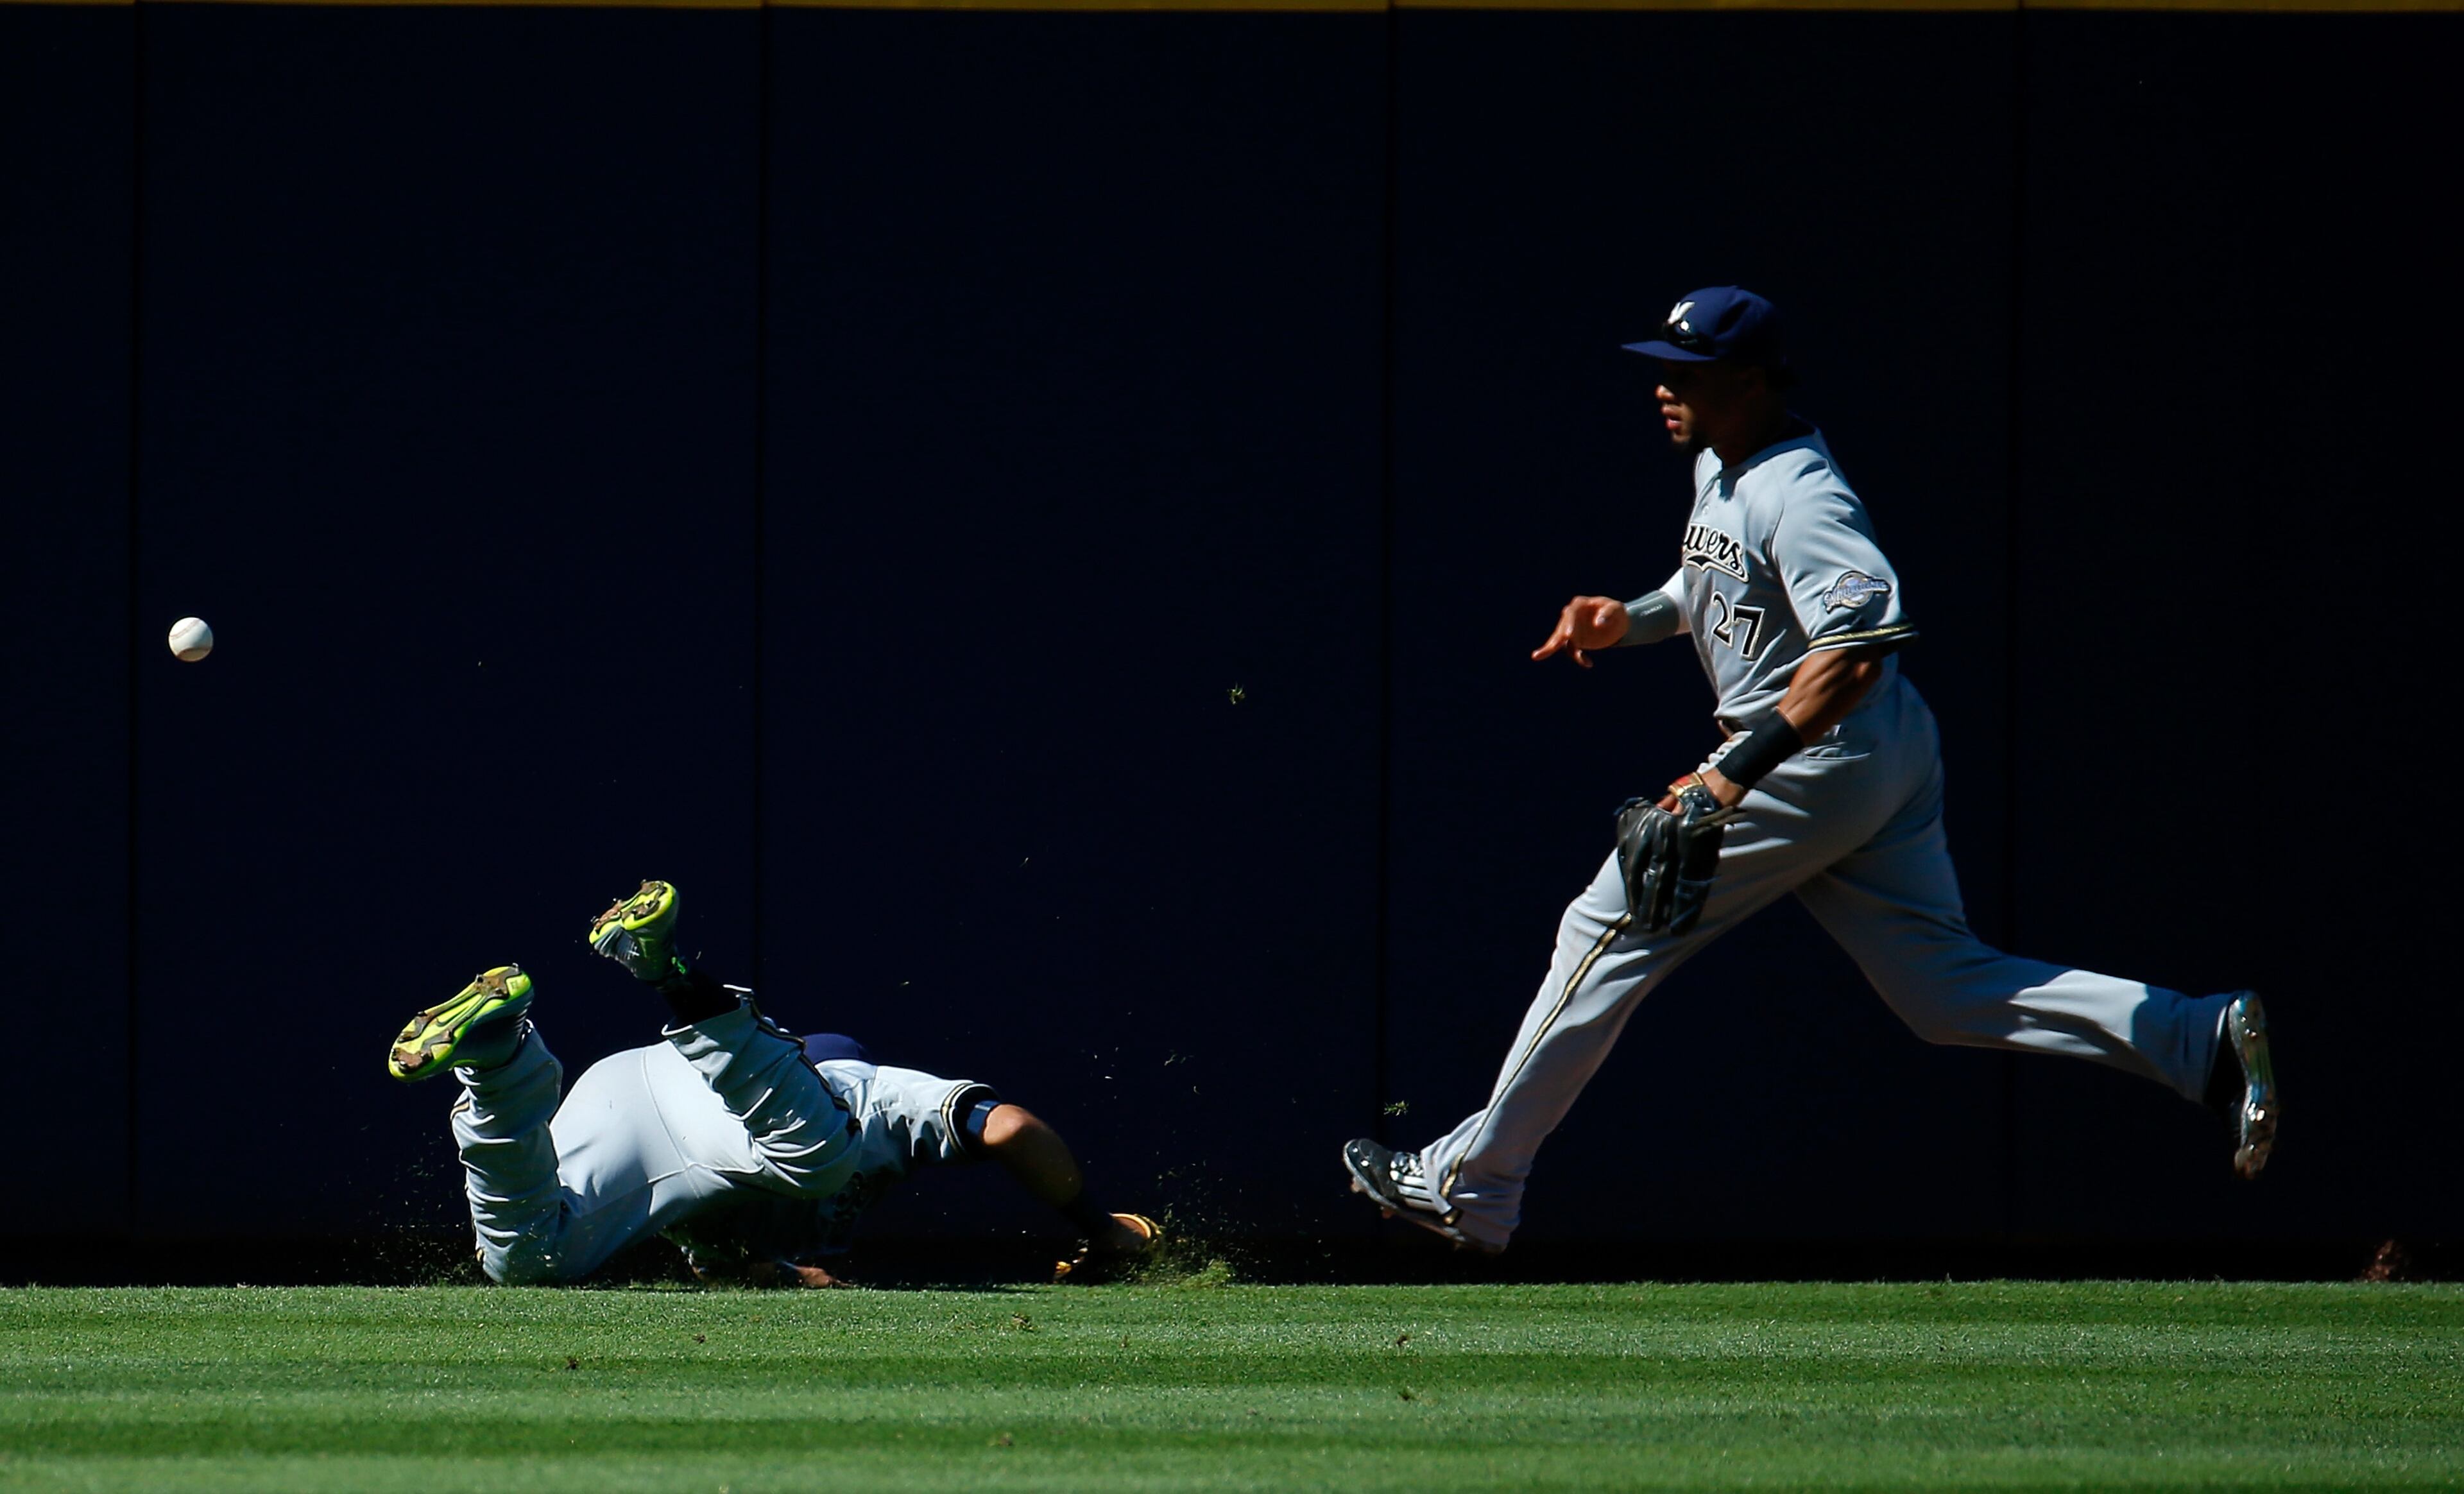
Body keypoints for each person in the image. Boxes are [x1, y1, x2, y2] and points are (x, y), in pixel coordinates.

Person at [1342, 285, 2278, 1255]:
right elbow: (1720, 581)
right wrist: (1634, 617)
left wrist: (1727, 778)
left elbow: (1857, 650)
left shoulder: (1806, 493)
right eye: (1662, 370)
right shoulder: (1721, 461)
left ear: (1749, 382)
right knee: (1943, 991)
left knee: (1605, 924)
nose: (1665, 389)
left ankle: (1472, 1186)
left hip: (1817, 753)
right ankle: (2193, 1039)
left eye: (1688, 375)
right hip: (1874, 753)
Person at [387, 879, 1159, 1286]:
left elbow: (722, 1259)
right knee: (821, 1159)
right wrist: (1097, 1224)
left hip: (631, 1100)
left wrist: (788, 1279)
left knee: (526, 1262)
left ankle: (498, 1059)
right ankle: (668, 973)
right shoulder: (869, 1086)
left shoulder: (773, 1201)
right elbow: (1013, 1127)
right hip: (728, 1090)